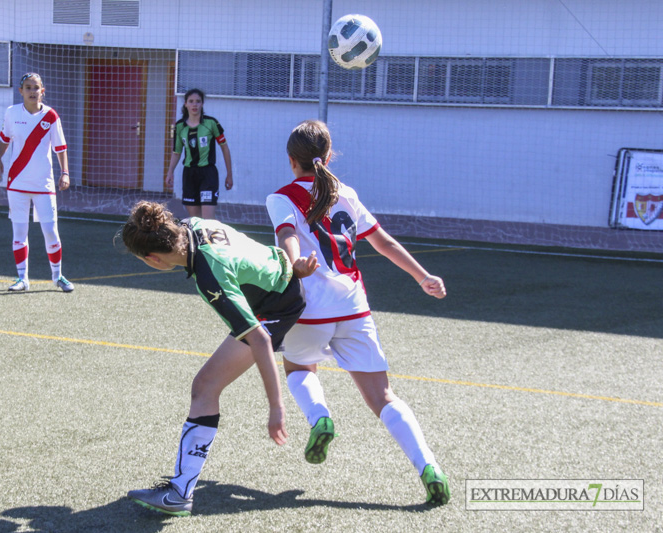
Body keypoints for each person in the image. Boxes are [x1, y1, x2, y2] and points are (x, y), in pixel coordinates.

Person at [265, 120, 450, 506]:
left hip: (310, 311)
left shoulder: (280, 197)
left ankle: (320, 419)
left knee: (299, 369)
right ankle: (428, 465)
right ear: (328, 157)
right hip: (354, 308)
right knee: (383, 397)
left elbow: (287, 237)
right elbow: (382, 242)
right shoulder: (344, 193)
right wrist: (423, 275)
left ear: (290, 160)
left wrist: (296, 263)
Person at [120, 200, 317, 517]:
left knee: (206, 386)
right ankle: (180, 489)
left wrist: (276, 406)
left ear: (153, 258)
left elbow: (259, 340)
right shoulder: (193, 225)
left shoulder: (209, 276)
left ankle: (180, 493)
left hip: (277, 304)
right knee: (205, 386)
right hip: (278, 276)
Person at [0, 72, 74, 293]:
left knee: (50, 230)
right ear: (21, 91)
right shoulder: (11, 113)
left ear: (42, 91)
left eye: (35, 87)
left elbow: (60, 148)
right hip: (17, 182)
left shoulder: (50, 116)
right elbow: (4, 139)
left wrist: (65, 172)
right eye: (27, 87)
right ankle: (22, 279)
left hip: (43, 185)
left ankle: (57, 277)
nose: (31, 91)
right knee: (19, 231)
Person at [165, 88, 233, 220]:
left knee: (208, 220)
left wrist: (229, 174)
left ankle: (211, 240)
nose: (194, 104)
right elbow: (177, 152)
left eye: (198, 101)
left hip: (208, 174)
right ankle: (198, 241)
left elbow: (225, 148)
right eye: (191, 101)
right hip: (189, 175)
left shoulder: (211, 123)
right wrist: (170, 172)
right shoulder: (179, 126)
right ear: (185, 104)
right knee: (196, 220)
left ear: (202, 104)